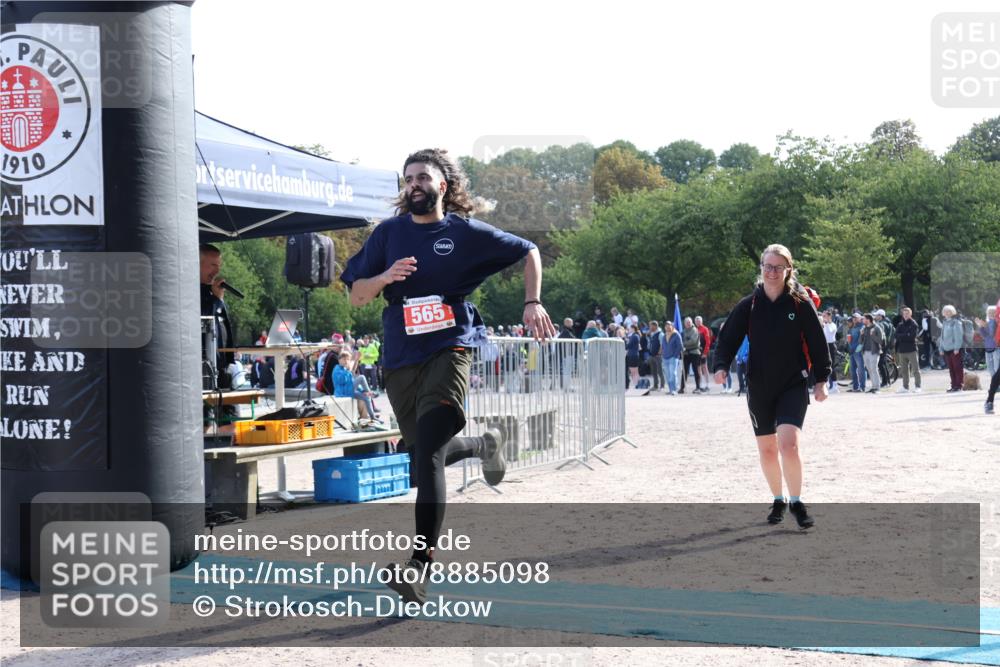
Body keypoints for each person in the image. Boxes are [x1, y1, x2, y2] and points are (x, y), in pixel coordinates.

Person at [340, 148, 555, 604]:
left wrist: (532, 302)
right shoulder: (388, 235)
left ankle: (419, 566)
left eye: (423, 176)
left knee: (431, 456)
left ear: (443, 185)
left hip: (450, 345)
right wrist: (385, 277)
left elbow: (529, 250)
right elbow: (357, 295)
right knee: (422, 457)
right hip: (401, 354)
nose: (414, 183)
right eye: (408, 178)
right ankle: (484, 444)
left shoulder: (463, 232)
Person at [712, 244, 831, 529]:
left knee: (788, 445)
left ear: (788, 270)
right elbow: (727, 338)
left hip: (792, 383)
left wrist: (822, 380)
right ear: (761, 268)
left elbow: (817, 342)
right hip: (759, 385)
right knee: (767, 450)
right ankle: (778, 498)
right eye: (767, 266)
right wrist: (721, 366)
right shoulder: (749, 305)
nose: (772, 272)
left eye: (778, 267)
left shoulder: (799, 304)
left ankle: (797, 502)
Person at [199, 244, 234, 389]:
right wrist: (217, 300)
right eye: (213, 265)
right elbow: (204, 320)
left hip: (222, 363)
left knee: (229, 410)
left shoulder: (212, 291)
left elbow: (223, 322)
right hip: (204, 366)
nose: (217, 271)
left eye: (219, 266)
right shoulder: (190, 290)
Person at [894, 307, 922, 393]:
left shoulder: (914, 324)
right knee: (904, 370)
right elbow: (896, 335)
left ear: (910, 314)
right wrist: (905, 335)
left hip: (912, 350)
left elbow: (911, 337)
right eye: (904, 314)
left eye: (907, 314)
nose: (905, 315)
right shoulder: (900, 324)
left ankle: (918, 387)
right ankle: (905, 387)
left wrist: (902, 336)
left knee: (916, 369)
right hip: (902, 350)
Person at [940, 305, 965, 392]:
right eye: (945, 311)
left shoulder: (956, 322)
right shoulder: (944, 322)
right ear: (943, 313)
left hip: (954, 350)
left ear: (952, 312)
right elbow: (942, 337)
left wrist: (957, 348)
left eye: (949, 311)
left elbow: (959, 337)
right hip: (946, 349)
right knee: (951, 369)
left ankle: (959, 386)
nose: (947, 313)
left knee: (957, 368)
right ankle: (953, 385)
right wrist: (941, 348)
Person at [859, 313, 884, 394]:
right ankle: (873, 387)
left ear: (868, 320)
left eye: (864, 319)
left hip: (874, 352)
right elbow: (860, 342)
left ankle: (877, 387)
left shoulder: (877, 328)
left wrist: (872, 335)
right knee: (869, 369)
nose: (862, 320)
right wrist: (861, 334)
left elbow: (881, 341)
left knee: (874, 369)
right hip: (865, 352)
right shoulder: (864, 328)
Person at [681, 317, 703, 393]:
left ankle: (698, 387)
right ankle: (682, 387)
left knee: (696, 371)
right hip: (686, 353)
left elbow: (693, 341)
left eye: (689, 322)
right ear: (684, 324)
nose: (688, 324)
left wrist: (683, 344)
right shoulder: (683, 331)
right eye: (686, 323)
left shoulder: (694, 330)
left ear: (691, 323)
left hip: (695, 352)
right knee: (684, 371)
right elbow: (683, 339)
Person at [661, 321, 682, 395]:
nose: (667, 327)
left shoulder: (676, 335)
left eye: (669, 325)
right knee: (667, 375)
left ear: (672, 326)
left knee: (673, 374)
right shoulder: (664, 336)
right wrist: (663, 355)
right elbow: (663, 346)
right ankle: (670, 390)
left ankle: (674, 389)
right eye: (666, 326)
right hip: (665, 358)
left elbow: (680, 346)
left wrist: (675, 355)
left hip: (673, 358)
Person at [821, 310, 839, 393]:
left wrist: (827, 322)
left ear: (829, 316)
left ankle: (835, 386)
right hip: (825, 345)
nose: (823, 317)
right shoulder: (824, 325)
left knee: (832, 366)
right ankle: (827, 384)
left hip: (831, 346)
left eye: (825, 316)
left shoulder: (833, 325)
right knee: (825, 365)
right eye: (823, 316)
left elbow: (830, 332)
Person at [695, 315, 713, 393]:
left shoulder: (705, 329)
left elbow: (708, 342)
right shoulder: (695, 329)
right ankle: (701, 384)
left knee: (704, 368)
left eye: (699, 321)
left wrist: (705, 352)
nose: (697, 322)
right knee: (698, 368)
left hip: (703, 352)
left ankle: (707, 384)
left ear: (701, 321)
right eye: (696, 321)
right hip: (696, 352)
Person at [646, 321, 664, 391]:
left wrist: (659, 353)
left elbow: (662, 344)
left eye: (651, 326)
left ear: (655, 326)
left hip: (658, 356)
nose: (649, 327)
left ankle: (662, 386)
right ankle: (655, 386)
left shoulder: (660, 334)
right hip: (651, 355)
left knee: (660, 371)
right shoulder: (652, 333)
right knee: (654, 372)